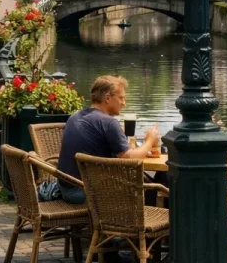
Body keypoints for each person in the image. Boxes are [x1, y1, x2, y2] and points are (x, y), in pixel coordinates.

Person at [57, 75, 162, 204]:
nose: (124, 103)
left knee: (145, 180)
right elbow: (129, 159)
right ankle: (147, 216)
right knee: (149, 185)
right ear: (107, 98)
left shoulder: (75, 116)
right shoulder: (108, 122)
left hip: (65, 188)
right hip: (86, 193)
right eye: (121, 98)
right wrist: (150, 141)